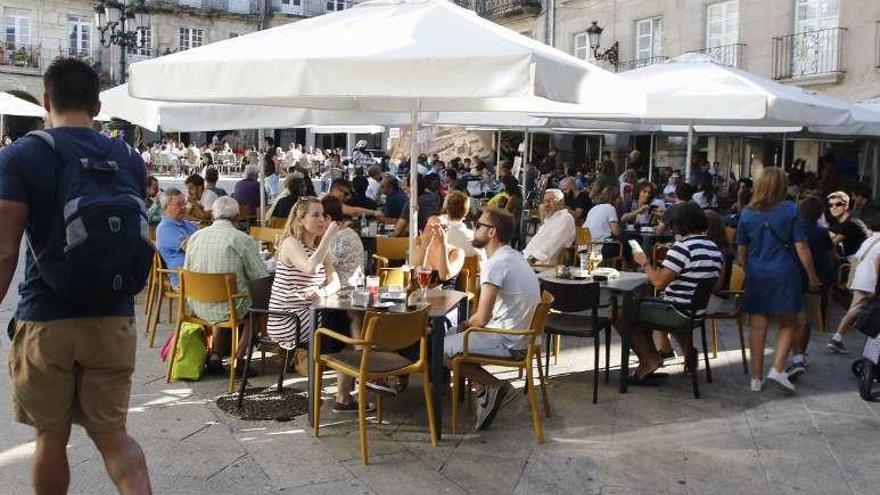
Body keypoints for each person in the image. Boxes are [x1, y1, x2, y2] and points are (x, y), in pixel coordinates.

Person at [0, 57, 151, 494]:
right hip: (114, 316)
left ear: (47, 100)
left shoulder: (21, 156)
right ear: (98, 105)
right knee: (113, 435)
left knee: (50, 436)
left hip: (47, 317)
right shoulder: (129, 157)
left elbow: (6, 249)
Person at [444, 206, 540, 430]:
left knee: (438, 346)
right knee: (451, 335)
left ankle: (495, 386)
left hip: (510, 340)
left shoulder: (495, 264)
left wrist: (465, 325)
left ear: (492, 232)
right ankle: (485, 391)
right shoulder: (514, 256)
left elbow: (481, 318)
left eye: (479, 226)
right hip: (524, 338)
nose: (474, 229)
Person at [267, 198, 364, 411]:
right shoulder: (291, 243)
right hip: (287, 318)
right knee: (347, 325)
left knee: (350, 322)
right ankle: (344, 393)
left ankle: (343, 395)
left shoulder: (319, 245)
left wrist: (321, 292)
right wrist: (329, 235)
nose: (321, 219)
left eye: (322, 215)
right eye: (315, 215)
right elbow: (310, 268)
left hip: (308, 311)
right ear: (300, 220)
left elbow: (335, 281)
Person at [736, 167, 820, 393]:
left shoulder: (747, 212)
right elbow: (801, 247)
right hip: (785, 273)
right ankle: (777, 368)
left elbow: (741, 249)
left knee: (757, 325)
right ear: (782, 185)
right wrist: (812, 277)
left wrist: (749, 268)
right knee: (788, 322)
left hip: (757, 273)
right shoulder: (791, 210)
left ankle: (755, 379)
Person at [628, 203, 724, 382]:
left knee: (622, 312)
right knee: (655, 306)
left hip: (678, 311)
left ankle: (649, 360)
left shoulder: (682, 247)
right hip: (697, 311)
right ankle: (685, 353)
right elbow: (716, 285)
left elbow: (658, 283)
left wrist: (644, 262)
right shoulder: (714, 249)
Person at [183, 196, 268, 375]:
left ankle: (215, 354)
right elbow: (259, 275)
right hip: (229, 307)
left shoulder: (196, 237)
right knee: (257, 307)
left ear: (213, 215)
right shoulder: (242, 239)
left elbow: (187, 269)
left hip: (198, 305)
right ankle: (239, 357)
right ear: (237, 217)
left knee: (223, 296)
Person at [785, 196, 836, 378]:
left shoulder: (791, 229)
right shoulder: (822, 233)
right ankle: (801, 355)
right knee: (806, 320)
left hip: (791, 279)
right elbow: (832, 256)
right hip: (813, 282)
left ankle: (795, 356)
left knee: (791, 319)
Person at [827, 212, 880, 354]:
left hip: (860, 278)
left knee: (855, 309)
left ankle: (838, 337)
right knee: (857, 309)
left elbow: (857, 257)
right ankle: (839, 339)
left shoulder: (869, 240)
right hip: (871, 281)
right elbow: (877, 262)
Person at [156, 188, 198, 288]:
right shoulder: (164, 229)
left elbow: (200, 244)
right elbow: (194, 248)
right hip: (183, 278)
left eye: (184, 203)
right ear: (166, 207)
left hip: (197, 272)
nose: (184, 207)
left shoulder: (187, 224)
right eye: (179, 204)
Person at [522, 189, 576, 265]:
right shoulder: (551, 218)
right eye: (545, 201)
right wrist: (523, 255)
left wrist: (533, 259)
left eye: (550, 201)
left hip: (541, 264)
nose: (546, 204)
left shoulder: (566, 218)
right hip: (528, 260)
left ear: (560, 201)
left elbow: (553, 244)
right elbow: (536, 241)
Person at [322, 195, 365, 287]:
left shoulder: (338, 238)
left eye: (319, 216)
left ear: (328, 218)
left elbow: (322, 268)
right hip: (356, 286)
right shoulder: (348, 232)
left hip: (344, 290)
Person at [414, 215, 465, 287]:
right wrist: (424, 246)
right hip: (423, 295)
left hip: (447, 296)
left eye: (438, 227)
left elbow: (444, 276)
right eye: (429, 227)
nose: (433, 231)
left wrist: (443, 245)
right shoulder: (419, 249)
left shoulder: (456, 252)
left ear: (447, 230)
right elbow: (415, 278)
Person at [442, 191, 486, 264]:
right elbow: (483, 263)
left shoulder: (437, 237)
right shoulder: (475, 239)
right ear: (466, 212)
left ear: (447, 210)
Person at [585, 186, 626, 260]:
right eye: (619, 197)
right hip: (598, 248)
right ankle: (629, 268)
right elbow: (616, 232)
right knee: (626, 244)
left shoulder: (593, 208)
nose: (620, 199)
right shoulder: (610, 208)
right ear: (614, 198)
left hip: (584, 247)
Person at [828, 191, 870, 259]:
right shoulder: (839, 223)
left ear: (846, 205)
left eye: (838, 204)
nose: (834, 207)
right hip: (854, 260)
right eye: (831, 205)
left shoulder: (851, 223)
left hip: (862, 261)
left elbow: (829, 246)